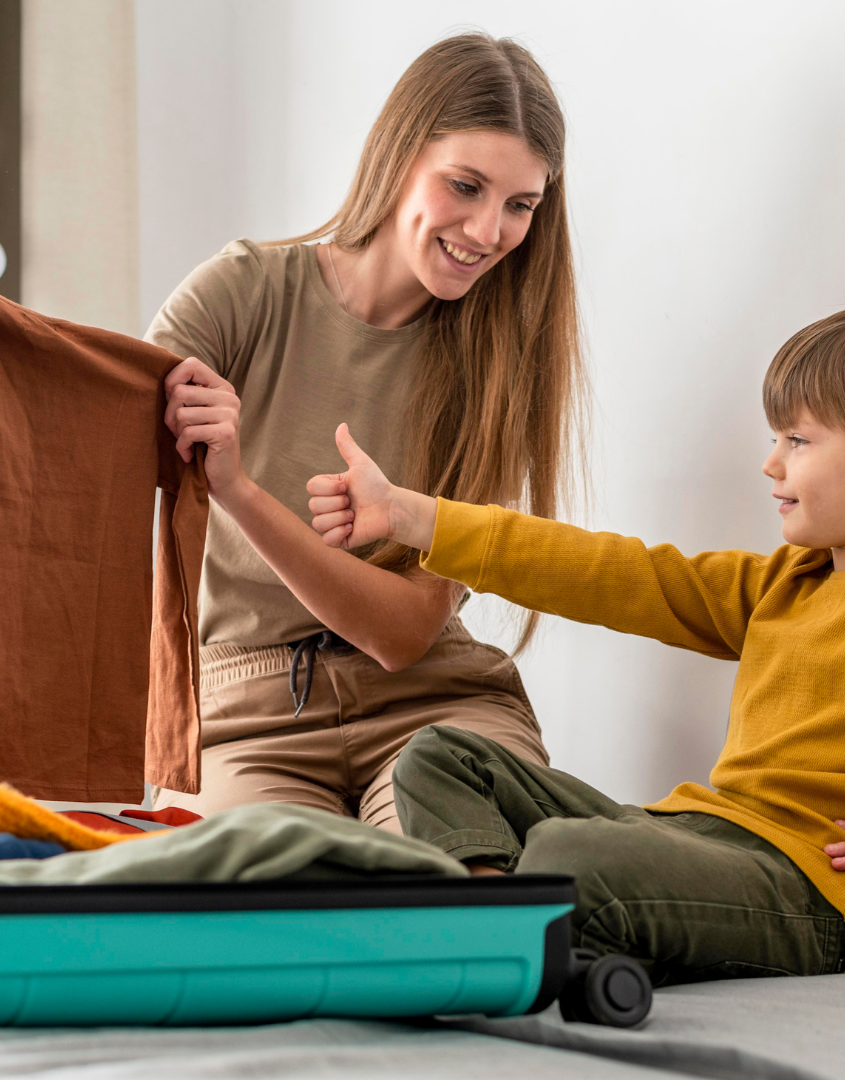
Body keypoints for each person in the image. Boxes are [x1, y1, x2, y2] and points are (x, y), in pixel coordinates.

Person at [306, 300, 845, 981]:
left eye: (799, 440)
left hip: (814, 884)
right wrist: (411, 516)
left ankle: (510, 933)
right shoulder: (785, 584)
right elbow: (613, 574)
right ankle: (499, 925)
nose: (771, 464)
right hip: (702, 833)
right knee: (439, 755)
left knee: (570, 854)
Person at [146, 33, 584, 827]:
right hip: (243, 710)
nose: (489, 232)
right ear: (399, 155)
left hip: (436, 701)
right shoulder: (239, 295)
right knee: (265, 906)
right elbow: (83, 444)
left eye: (520, 205)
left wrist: (238, 491)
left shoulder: (498, 366)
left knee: (469, 890)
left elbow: (405, 632)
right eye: (466, 186)